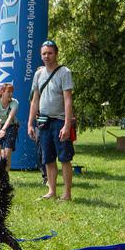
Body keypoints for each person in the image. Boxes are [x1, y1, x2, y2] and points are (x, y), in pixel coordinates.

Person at [28, 40, 75, 201]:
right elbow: (35, 100)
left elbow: (68, 100)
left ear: (56, 54)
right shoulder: (38, 74)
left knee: (64, 158)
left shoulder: (65, 72)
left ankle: (67, 193)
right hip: (43, 122)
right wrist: (30, 124)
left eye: (49, 53)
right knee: (47, 158)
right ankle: (52, 191)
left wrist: (67, 125)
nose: (46, 56)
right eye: (44, 53)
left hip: (60, 121)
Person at [0, 82, 20, 168]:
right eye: (8, 92)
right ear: (2, 92)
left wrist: (3, 129)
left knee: (6, 154)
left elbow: (10, 118)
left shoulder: (14, 102)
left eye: (12, 92)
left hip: (11, 127)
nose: (11, 94)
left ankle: (5, 178)